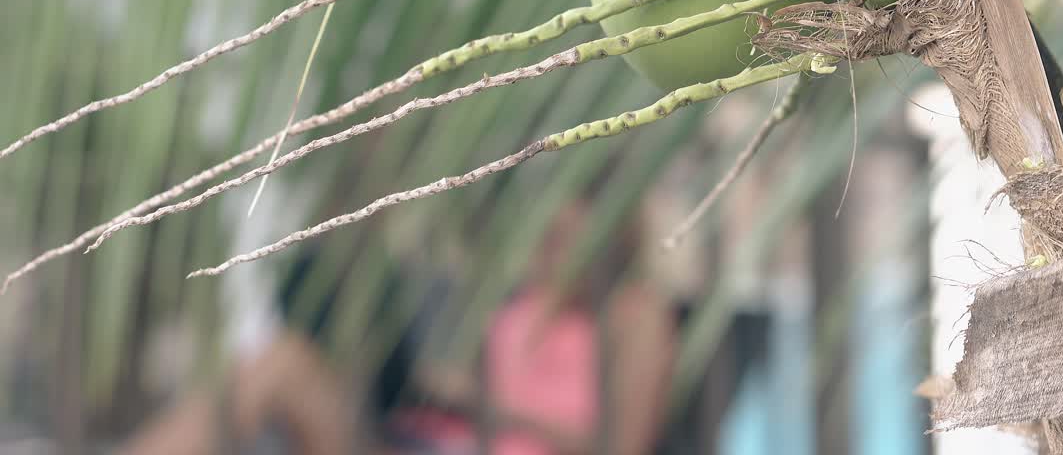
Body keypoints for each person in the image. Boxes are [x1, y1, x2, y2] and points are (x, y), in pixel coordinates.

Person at [119, 196, 677, 455]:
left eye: (561, 241)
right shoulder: (521, 306)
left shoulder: (635, 316)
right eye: (543, 238)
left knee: (283, 368)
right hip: (426, 438)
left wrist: (484, 405)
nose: (546, 253)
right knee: (283, 361)